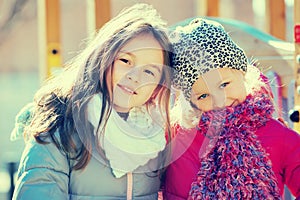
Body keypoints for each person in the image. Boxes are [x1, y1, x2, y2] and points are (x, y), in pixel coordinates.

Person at [11, 3, 174, 199]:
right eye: (125, 61)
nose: (135, 76)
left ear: (158, 86)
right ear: (103, 58)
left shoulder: (157, 137)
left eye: (149, 71)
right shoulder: (59, 126)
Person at [163, 18, 300, 199]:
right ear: (191, 101)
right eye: (203, 96)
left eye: (224, 84)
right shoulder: (181, 140)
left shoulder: (276, 134)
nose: (220, 101)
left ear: (242, 74)